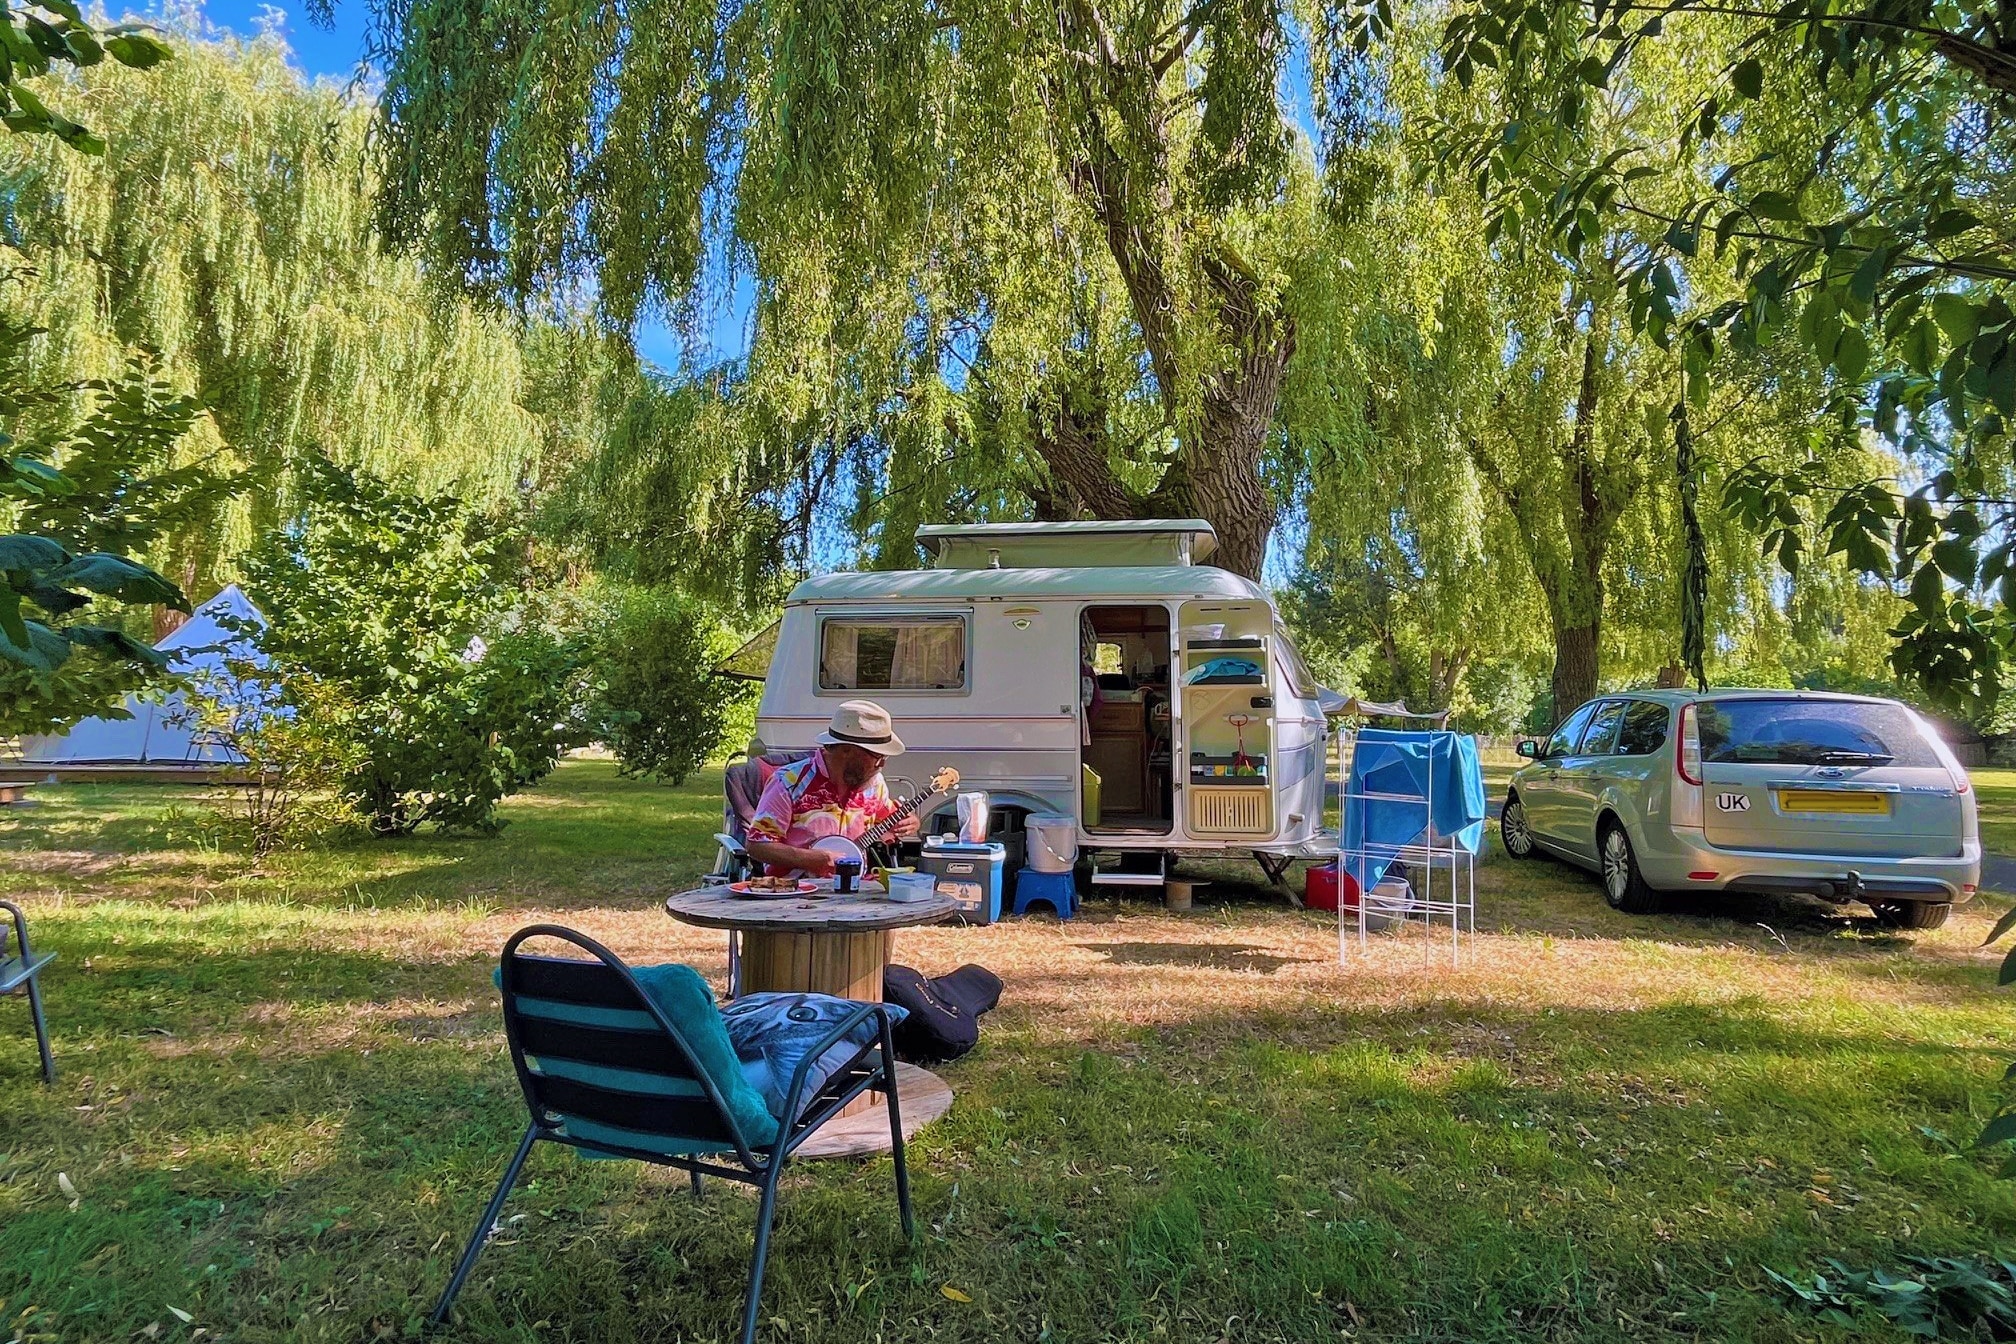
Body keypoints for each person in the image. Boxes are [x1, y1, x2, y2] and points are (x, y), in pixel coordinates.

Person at [745, 700, 919, 877]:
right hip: (795, 892)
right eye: (877, 755)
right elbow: (757, 846)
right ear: (846, 750)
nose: (881, 764)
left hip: (854, 890)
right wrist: (809, 859)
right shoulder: (789, 782)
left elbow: (890, 821)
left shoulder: (874, 784)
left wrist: (909, 823)